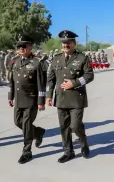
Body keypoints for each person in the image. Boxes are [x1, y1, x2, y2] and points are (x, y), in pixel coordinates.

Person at [46, 30, 94, 163]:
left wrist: (75, 83)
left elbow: (89, 76)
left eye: (68, 43)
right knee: (64, 127)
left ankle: (84, 144)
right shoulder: (56, 58)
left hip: (76, 99)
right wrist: (49, 95)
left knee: (75, 125)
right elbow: (50, 79)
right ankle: (68, 152)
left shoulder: (82, 58)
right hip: (61, 98)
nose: (65, 45)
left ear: (74, 43)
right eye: (63, 43)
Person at [8, 34, 47, 164]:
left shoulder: (37, 63)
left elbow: (41, 84)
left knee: (26, 124)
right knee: (17, 122)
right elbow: (12, 81)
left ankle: (27, 151)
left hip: (31, 100)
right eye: (19, 46)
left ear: (30, 47)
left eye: (24, 46)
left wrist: (41, 101)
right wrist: (10, 96)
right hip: (19, 99)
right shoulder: (15, 61)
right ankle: (38, 132)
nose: (21, 48)